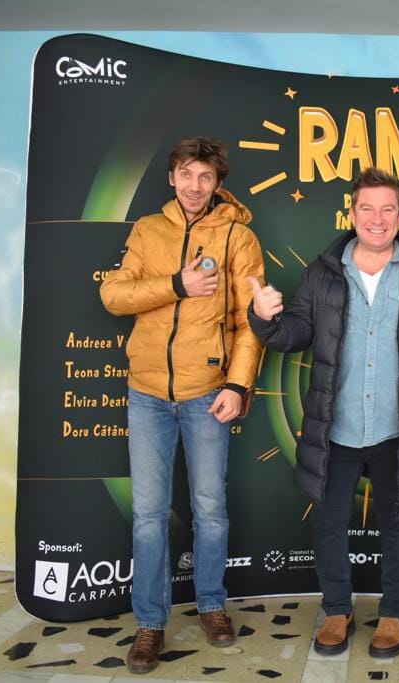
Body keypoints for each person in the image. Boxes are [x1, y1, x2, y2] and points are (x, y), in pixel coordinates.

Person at [248, 167, 399, 659]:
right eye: (367, 208)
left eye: (387, 209)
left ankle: (393, 614)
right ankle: (336, 610)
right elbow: (295, 333)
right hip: (335, 429)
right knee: (329, 523)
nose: (377, 219)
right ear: (352, 213)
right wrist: (264, 318)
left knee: (397, 523)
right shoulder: (322, 273)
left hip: (397, 430)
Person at [100, 135, 264, 674]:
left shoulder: (239, 237)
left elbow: (250, 322)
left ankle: (212, 606)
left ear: (218, 183)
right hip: (146, 394)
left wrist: (237, 385)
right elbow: (113, 296)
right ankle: (150, 623)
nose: (195, 186)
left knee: (209, 509)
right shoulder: (147, 230)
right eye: (187, 175)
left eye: (206, 177)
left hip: (206, 394)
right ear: (172, 177)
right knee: (148, 515)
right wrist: (177, 283)